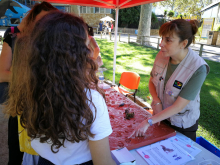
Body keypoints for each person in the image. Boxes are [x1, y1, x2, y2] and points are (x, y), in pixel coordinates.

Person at [6, 11, 115, 165]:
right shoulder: (91, 101)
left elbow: (62, 78)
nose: (89, 51)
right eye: (85, 46)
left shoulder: (30, 88)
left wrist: (88, 71)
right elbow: (103, 162)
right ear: (76, 56)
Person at [132, 19, 210, 141]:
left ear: (183, 43)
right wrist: (156, 102)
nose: (161, 44)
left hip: (182, 124)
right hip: (160, 117)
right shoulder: (162, 54)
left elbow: (178, 107)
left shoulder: (198, 69)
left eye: (168, 40)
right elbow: (152, 81)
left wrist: (148, 121)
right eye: (162, 38)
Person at [0, 2, 57, 165]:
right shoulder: (13, 36)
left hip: (48, 110)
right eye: (39, 21)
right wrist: (36, 76)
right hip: (21, 107)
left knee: (45, 156)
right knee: (17, 156)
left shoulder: (54, 41)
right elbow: (1, 74)